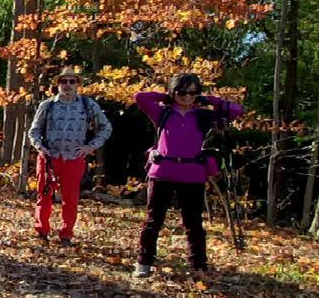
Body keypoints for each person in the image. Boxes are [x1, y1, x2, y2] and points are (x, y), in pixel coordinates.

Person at [132, 73, 243, 277]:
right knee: (153, 220)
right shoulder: (162, 113)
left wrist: (209, 100)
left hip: (193, 174)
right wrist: (164, 96)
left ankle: (198, 266)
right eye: (182, 92)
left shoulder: (203, 115)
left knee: (193, 223)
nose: (187, 96)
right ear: (174, 92)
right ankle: (143, 263)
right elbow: (140, 97)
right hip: (163, 172)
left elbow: (237, 110)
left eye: (192, 92)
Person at [27, 66, 112, 246]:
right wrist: (40, 147)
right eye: (63, 81)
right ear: (58, 84)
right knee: (44, 195)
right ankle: (41, 230)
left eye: (71, 81)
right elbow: (33, 131)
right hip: (49, 157)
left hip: (74, 158)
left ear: (77, 84)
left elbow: (106, 128)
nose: (67, 85)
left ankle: (66, 234)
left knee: (70, 198)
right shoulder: (47, 105)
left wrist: (90, 147)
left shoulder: (87, 105)